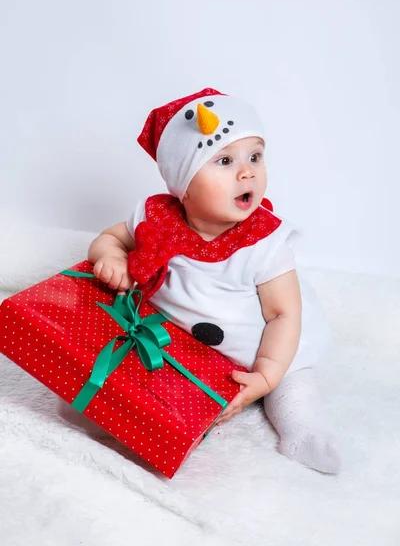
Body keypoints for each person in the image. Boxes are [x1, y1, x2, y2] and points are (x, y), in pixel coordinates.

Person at [84, 87, 340, 473]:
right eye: (224, 160)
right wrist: (111, 257)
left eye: (255, 156)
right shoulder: (156, 220)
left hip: (265, 350)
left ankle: (303, 431)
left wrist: (266, 375)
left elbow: (283, 315)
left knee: (291, 391)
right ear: (182, 185)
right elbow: (108, 237)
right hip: (183, 347)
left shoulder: (263, 247)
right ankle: (108, 416)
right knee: (128, 379)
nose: (247, 171)